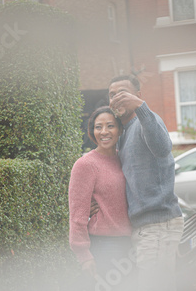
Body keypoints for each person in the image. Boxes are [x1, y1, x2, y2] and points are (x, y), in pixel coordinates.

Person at [108, 75, 184, 291]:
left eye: (122, 92)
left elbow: (162, 148)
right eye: (112, 94)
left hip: (157, 224)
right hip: (148, 227)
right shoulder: (123, 132)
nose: (116, 98)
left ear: (137, 95)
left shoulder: (147, 120)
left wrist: (141, 108)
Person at [68, 106, 134, 291]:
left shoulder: (125, 158)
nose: (104, 132)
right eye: (98, 127)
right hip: (104, 246)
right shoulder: (85, 165)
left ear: (120, 130)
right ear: (92, 131)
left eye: (110, 126)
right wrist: (84, 256)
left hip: (131, 244)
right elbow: (77, 215)